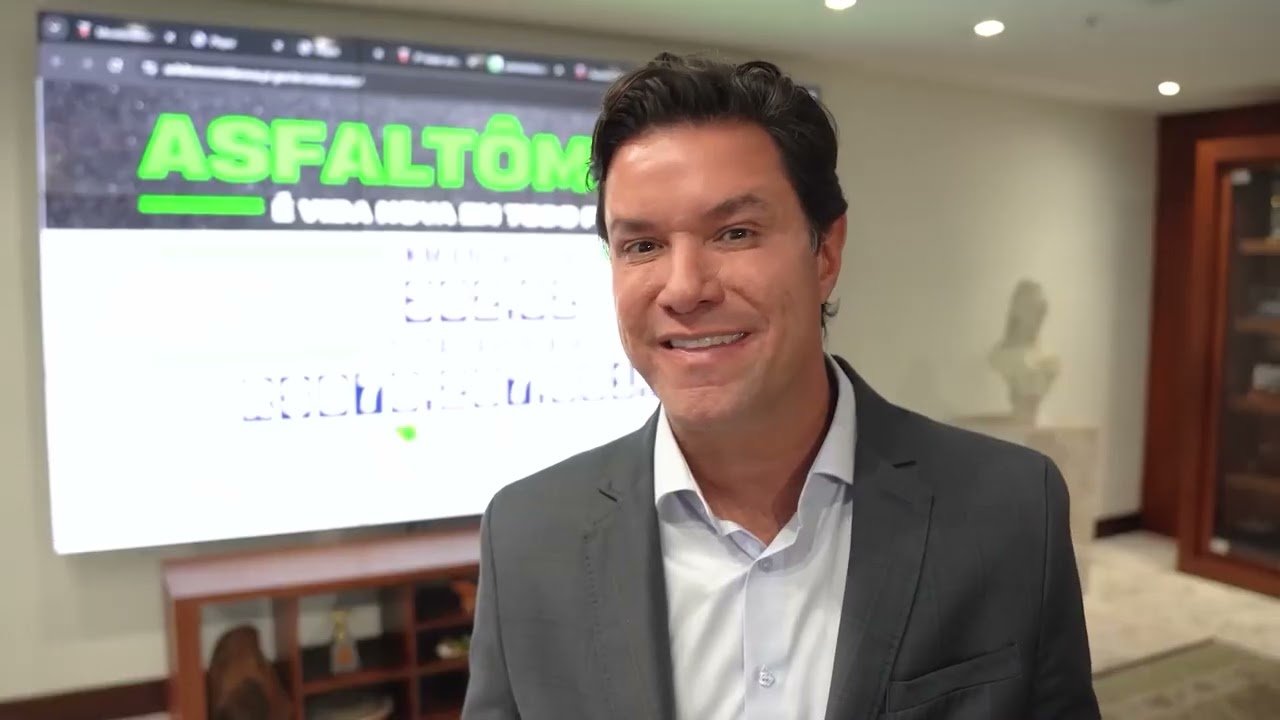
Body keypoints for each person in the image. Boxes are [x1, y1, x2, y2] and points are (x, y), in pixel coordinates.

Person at [461, 53, 1099, 720]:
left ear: (825, 253)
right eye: (642, 246)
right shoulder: (528, 537)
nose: (684, 289)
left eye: (734, 233)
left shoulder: (1008, 509)